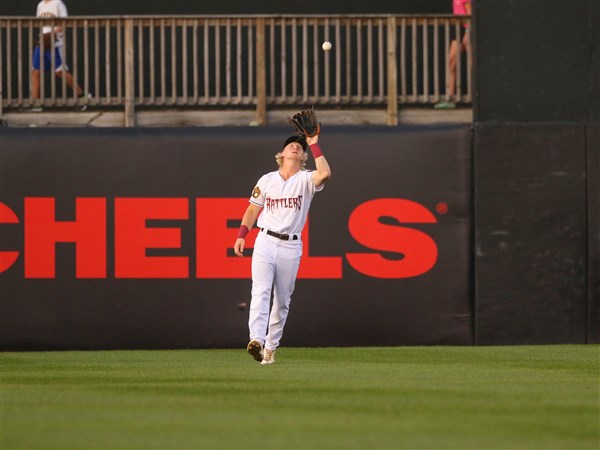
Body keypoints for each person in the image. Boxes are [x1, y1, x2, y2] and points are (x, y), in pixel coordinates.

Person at [234, 133, 332, 365]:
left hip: (291, 244)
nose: (295, 147)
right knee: (260, 290)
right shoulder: (267, 179)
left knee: (282, 301)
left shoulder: (306, 179)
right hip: (265, 240)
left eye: (299, 146)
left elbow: (325, 174)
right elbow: (252, 210)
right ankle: (256, 339)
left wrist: (314, 144)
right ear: (282, 154)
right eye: (291, 145)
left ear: (304, 156)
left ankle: (270, 347)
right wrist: (241, 235)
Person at [30, 0, 90, 111]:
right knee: (35, 71)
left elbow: (64, 23)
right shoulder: (40, 5)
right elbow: (40, 23)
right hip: (43, 41)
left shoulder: (58, 3)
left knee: (59, 71)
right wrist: (43, 36)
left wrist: (51, 33)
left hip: (55, 42)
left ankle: (82, 95)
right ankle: (36, 104)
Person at [435, 0, 472, 109]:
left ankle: (479, 97)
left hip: (469, 27)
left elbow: (471, 13)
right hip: (459, 27)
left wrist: (468, 32)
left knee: (473, 63)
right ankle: (450, 97)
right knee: (452, 61)